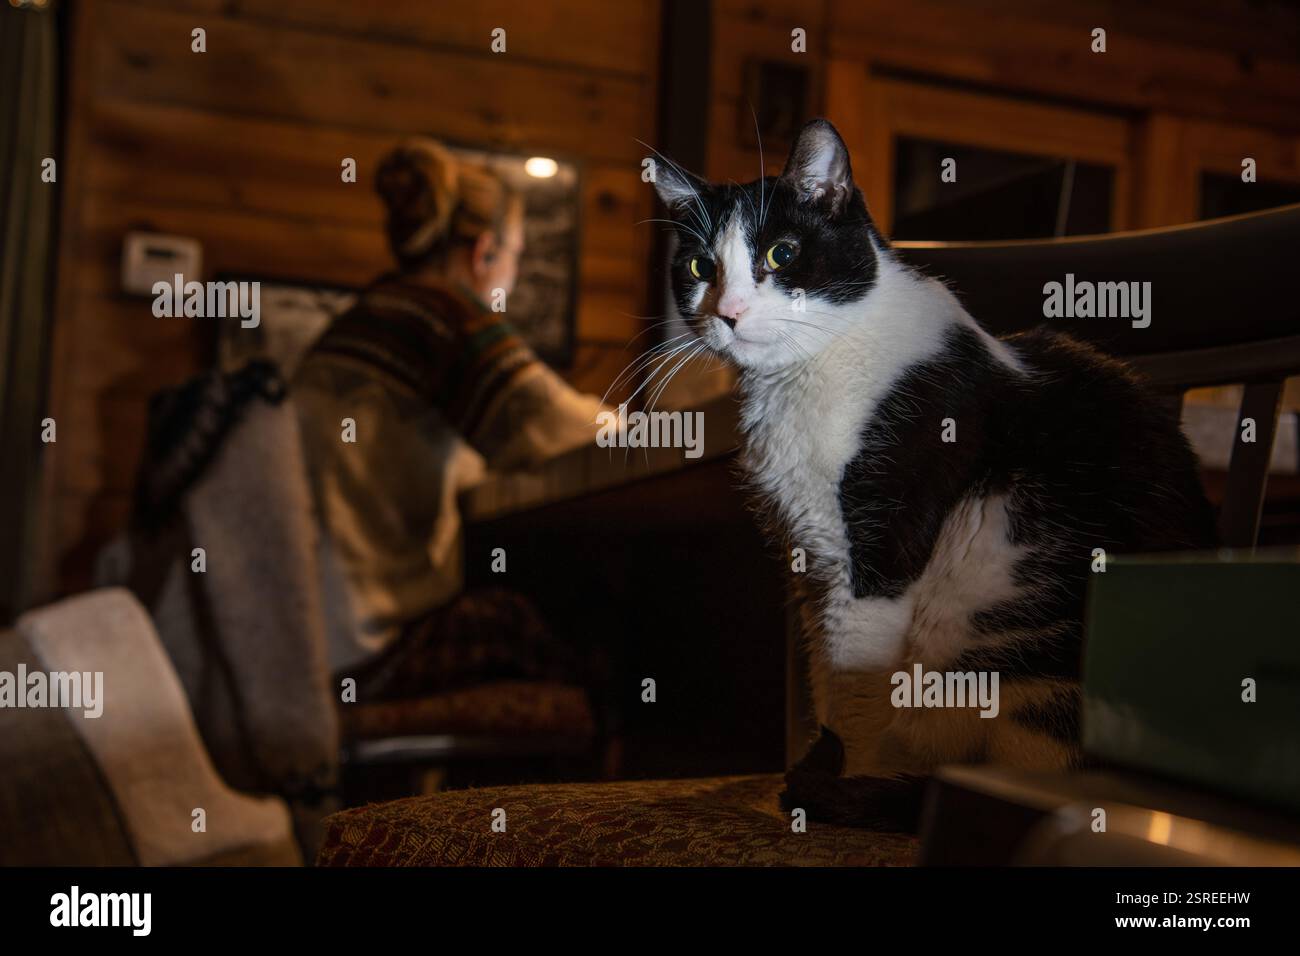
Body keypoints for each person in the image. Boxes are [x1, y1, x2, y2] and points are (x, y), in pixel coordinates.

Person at [293, 139, 604, 700]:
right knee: (577, 631)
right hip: (366, 646)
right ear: (486, 252)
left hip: (301, 633)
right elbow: (568, 433)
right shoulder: (449, 322)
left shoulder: (361, 320)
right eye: (516, 257)